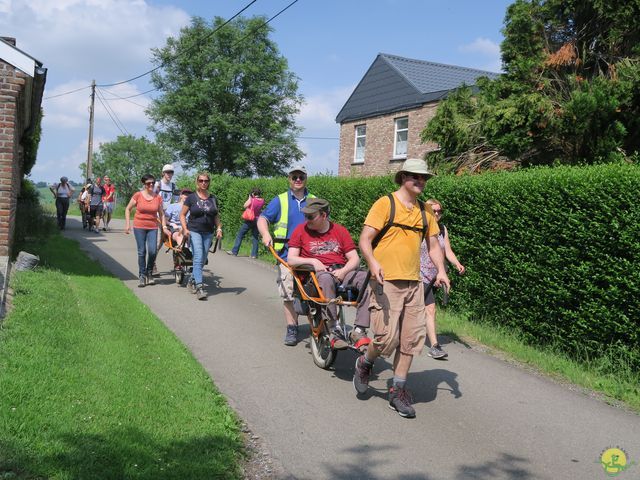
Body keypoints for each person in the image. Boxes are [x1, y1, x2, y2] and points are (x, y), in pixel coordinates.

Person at [355, 158, 450, 418]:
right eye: (414, 177)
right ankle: (365, 361)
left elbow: (433, 246)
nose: (420, 181)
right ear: (403, 178)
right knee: (386, 339)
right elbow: (365, 239)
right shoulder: (385, 203)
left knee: (410, 340)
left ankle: (397, 391)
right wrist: (372, 262)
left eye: (423, 178)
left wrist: (441, 271)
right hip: (386, 282)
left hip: (414, 283)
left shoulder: (425, 212)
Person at [287, 198, 370, 350]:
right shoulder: (300, 230)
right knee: (325, 278)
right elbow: (291, 259)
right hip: (317, 276)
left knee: (365, 278)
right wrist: (313, 261)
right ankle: (334, 328)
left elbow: (354, 259)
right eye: (306, 216)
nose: (307, 220)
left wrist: (343, 271)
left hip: (341, 271)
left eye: (311, 216)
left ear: (324, 215)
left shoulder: (340, 231)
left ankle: (359, 330)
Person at [257, 165, 315, 346]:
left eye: (301, 176)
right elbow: (262, 219)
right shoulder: (280, 200)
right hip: (285, 254)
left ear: (306, 178)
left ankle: (318, 327)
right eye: (294, 176)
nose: (298, 179)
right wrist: (266, 234)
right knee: (288, 289)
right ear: (289, 179)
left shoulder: (314, 200)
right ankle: (292, 327)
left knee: (316, 290)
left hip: (309, 254)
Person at [420, 198, 465, 359]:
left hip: (435, 276)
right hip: (418, 275)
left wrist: (457, 264)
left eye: (440, 211)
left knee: (424, 309)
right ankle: (434, 346)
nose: (437, 214)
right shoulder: (420, 227)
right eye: (434, 211)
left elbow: (448, 251)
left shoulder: (442, 229)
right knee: (430, 309)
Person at [180, 172, 222, 301]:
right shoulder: (191, 198)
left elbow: (216, 215)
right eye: (201, 181)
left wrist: (219, 228)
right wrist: (185, 229)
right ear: (197, 182)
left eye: (206, 181)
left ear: (209, 182)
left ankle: (192, 280)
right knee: (198, 256)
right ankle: (199, 287)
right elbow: (182, 215)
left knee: (203, 259)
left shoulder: (213, 198)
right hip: (195, 230)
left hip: (208, 232)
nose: (204, 183)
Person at [124, 174, 168, 288]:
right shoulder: (138, 195)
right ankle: (142, 276)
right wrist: (128, 224)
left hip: (152, 227)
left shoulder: (157, 197)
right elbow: (128, 209)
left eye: (153, 183)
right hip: (139, 227)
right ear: (144, 184)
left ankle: (149, 272)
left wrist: (164, 227)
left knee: (153, 251)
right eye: (149, 183)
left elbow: (162, 214)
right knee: (142, 251)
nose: (151, 185)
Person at [229, 187, 265, 258]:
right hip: (258, 220)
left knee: (240, 234)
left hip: (250, 219)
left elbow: (244, 205)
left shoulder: (252, 200)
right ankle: (254, 254)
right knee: (255, 237)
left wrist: (249, 198)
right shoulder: (262, 200)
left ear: (253, 193)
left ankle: (234, 251)